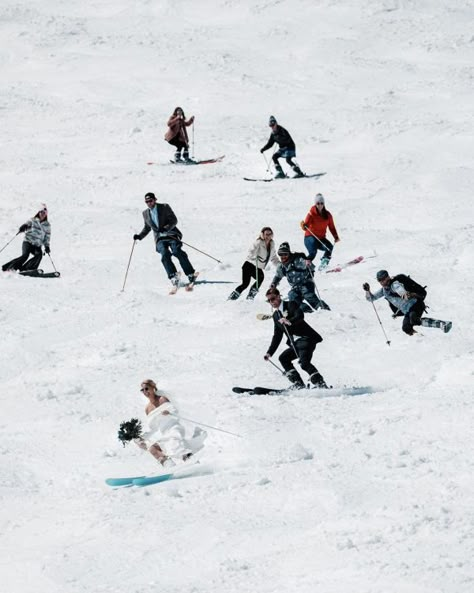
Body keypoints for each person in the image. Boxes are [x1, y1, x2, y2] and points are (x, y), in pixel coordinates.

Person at [264, 288, 328, 388]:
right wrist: (269, 353)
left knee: (304, 363)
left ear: (278, 296)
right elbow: (277, 336)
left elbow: (300, 315)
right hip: (296, 344)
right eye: (269, 300)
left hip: (306, 338)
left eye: (273, 299)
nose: (271, 302)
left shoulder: (290, 305)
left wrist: (289, 321)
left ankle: (320, 383)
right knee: (284, 358)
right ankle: (298, 384)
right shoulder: (276, 316)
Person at [134, 379, 206, 467]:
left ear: (153, 388)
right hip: (162, 433)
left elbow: (174, 411)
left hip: (173, 428)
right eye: (142, 390)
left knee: (175, 446)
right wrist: (142, 437)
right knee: (153, 448)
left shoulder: (162, 399)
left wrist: (169, 412)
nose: (145, 391)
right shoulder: (147, 408)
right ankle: (169, 465)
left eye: (147, 388)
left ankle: (194, 463)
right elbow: (153, 428)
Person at [133, 192, 198, 290]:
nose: (149, 203)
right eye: (147, 202)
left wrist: (166, 228)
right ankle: (173, 276)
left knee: (177, 251)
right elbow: (147, 228)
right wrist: (139, 236)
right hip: (159, 239)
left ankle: (190, 273)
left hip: (171, 235)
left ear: (155, 199)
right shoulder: (145, 213)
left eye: (150, 201)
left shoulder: (164, 207)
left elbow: (174, 220)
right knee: (164, 254)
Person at [363, 270, 453, 336]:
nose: (382, 282)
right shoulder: (384, 291)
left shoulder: (394, 284)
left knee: (413, 319)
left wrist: (405, 295)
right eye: (380, 280)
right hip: (407, 311)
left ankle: (443, 324)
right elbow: (371, 299)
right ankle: (421, 338)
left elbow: (399, 289)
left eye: (384, 279)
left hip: (415, 305)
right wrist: (367, 291)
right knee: (406, 328)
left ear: (388, 277)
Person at [269, 242, 330, 311]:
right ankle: (306, 310)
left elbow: (304, 262)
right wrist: (273, 284)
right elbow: (278, 276)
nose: (283, 256)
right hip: (295, 287)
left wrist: (307, 263)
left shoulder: (296, 260)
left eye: (285, 254)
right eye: (281, 254)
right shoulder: (282, 267)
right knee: (292, 296)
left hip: (306, 283)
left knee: (308, 295)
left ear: (289, 253)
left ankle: (323, 309)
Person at [228, 227, 280, 301]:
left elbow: (273, 256)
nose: (268, 236)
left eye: (269, 234)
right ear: (262, 235)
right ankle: (233, 297)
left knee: (259, 278)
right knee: (246, 283)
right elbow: (250, 252)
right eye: (266, 234)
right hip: (249, 265)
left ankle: (250, 296)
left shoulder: (272, 244)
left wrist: (279, 265)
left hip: (257, 266)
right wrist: (254, 256)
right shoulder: (258, 242)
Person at [2, 204, 51, 272]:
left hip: (37, 245)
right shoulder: (33, 220)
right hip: (28, 242)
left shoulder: (47, 225)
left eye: (44, 213)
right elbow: (27, 224)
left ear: (46, 214)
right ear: (38, 213)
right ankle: (9, 267)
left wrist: (47, 247)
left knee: (39, 256)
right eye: (41, 212)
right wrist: (24, 226)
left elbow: (47, 237)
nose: (42, 214)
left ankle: (27, 269)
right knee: (25, 256)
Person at [300, 193, 340, 270]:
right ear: (315, 204)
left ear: (324, 204)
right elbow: (306, 226)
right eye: (318, 203)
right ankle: (304, 265)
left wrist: (336, 236)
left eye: (321, 203)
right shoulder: (311, 214)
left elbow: (331, 227)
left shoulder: (328, 215)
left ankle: (324, 263)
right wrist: (303, 225)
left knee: (329, 248)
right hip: (310, 237)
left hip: (321, 238)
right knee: (313, 251)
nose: (320, 205)